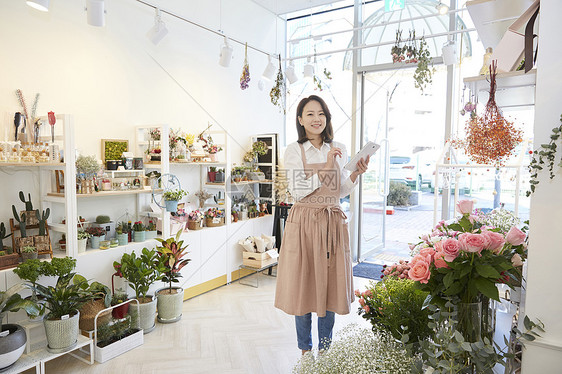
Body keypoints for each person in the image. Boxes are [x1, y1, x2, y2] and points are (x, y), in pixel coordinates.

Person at [274, 95, 370, 355]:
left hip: (332, 222)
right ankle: (305, 350)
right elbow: (297, 190)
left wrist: (354, 173)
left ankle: (325, 350)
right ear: (300, 120)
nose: (316, 119)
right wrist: (327, 166)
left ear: (327, 118)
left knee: (330, 286)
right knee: (303, 285)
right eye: (310, 114)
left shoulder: (337, 146)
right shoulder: (294, 150)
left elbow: (340, 190)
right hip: (304, 222)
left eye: (321, 114)